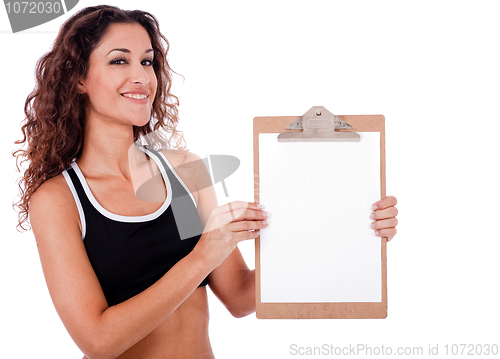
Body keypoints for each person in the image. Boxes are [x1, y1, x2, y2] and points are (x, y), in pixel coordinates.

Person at [14, 5, 398, 359]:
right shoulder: (60, 198)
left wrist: (351, 231)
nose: (141, 76)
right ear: (78, 79)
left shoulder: (183, 172)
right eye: (119, 60)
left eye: (148, 61)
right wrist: (204, 254)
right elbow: (98, 340)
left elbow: (241, 296)